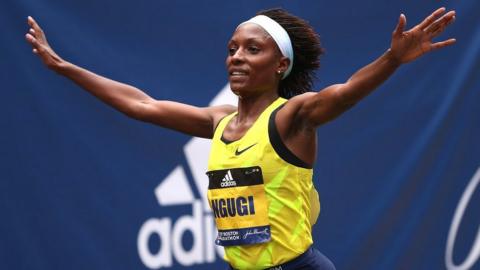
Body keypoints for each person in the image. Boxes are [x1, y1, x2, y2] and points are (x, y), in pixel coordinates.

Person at [25, 6, 455, 270]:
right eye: (232, 48)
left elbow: (343, 93)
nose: (237, 57)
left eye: (253, 49)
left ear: (281, 63)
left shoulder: (291, 117)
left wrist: (392, 59)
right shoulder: (218, 122)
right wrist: (64, 67)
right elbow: (141, 104)